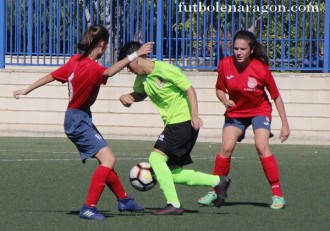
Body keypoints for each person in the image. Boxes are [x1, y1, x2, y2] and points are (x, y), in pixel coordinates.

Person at [13, 25, 154, 220]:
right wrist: (136, 54)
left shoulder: (74, 61)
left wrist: (26, 90)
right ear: (102, 45)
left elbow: (49, 76)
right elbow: (110, 72)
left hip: (78, 117)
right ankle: (89, 207)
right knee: (108, 159)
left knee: (106, 159)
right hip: (78, 120)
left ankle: (124, 200)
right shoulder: (94, 68)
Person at [118, 41, 231, 215]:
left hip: (183, 122)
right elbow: (140, 93)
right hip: (175, 124)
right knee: (174, 173)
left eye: (129, 65)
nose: (128, 69)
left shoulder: (164, 69)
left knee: (155, 159)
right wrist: (129, 97)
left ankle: (174, 204)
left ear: (138, 58)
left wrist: (194, 115)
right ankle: (218, 181)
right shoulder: (141, 78)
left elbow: (189, 89)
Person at [198, 30, 290, 210]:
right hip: (236, 113)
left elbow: (276, 97)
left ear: (251, 50)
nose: (238, 52)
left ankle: (278, 195)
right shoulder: (225, 64)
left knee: (261, 146)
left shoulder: (261, 69)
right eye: (235, 48)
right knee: (226, 148)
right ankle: (215, 191)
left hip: (259, 110)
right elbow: (219, 89)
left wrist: (285, 124)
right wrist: (224, 100)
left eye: (242, 49)